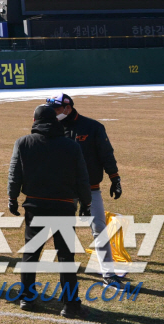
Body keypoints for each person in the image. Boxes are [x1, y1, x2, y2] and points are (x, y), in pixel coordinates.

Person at [8, 103, 92, 319]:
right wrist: (86, 203)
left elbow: (15, 173)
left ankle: (27, 298)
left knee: (31, 254)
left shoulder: (23, 142)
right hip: (63, 205)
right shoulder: (71, 145)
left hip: (35, 205)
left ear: (34, 121)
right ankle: (70, 305)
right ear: (55, 121)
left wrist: (12, 198)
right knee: (66, 256)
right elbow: (82, 177)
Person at [49, 93, 124, 284]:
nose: (53, 112)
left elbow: (106, 154)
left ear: (68, 108)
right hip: (63, 189)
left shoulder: (93, 127)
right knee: (63, 229)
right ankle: (66, 269)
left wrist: (114, 178)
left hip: (91, 188)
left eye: (56, 109)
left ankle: (108, 273)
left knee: (99, 228)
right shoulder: (50, 127)